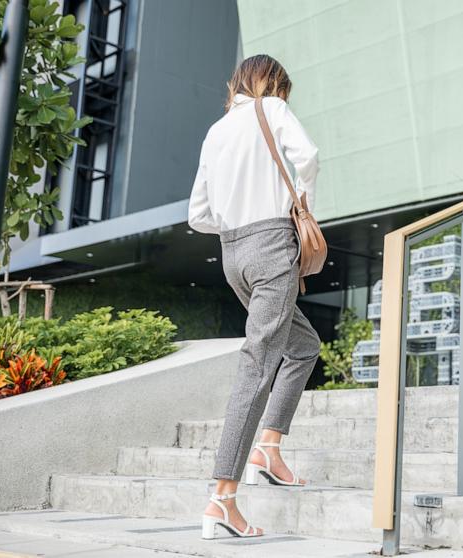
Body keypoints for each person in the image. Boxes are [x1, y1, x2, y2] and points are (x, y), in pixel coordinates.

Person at [188, 54, 321, 539]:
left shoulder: (216, 131)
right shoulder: (273, 111)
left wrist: (237, 222)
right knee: (258, 363)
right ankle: (222, 497)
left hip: (232, 255)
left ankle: (268, 447)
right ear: (272, 85)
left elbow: (197, 214)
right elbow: (307, 156)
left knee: (303, 345)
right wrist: (298, 202)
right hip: (270, 247)